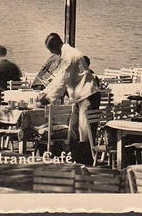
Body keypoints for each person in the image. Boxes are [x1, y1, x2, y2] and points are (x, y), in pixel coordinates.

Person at [37, 33, 100, 165]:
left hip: (87, 95)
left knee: (85, 131)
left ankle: (86, 162)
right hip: (79, 96)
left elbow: (63, 81)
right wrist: (45, 92)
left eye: (52, 51)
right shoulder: (67, 54)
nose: (54, 54)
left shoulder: (70, 56)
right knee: (75, 129)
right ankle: (79, 159)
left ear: (55, 47)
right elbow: (59, 78)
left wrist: (48, 98)